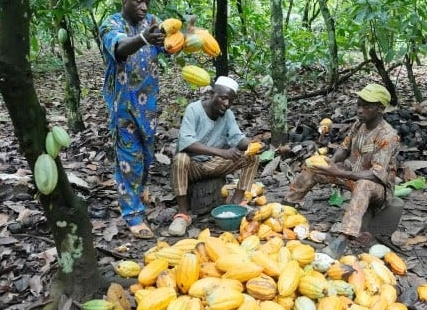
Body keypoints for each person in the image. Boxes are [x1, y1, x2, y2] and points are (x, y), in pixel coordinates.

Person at [283, 83, 400, 257]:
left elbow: (376, 174)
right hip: (350, 175)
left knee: (363, 185)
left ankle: (342, 240)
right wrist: (331, 161)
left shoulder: (388, 136)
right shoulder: (358, 124)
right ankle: (285, 208)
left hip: (378, 189)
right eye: (359, 105)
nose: (360, 110)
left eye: (366, 107)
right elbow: (344, 149)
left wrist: (339, 172)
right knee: (314, 167)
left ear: (380, 109)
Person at [99, 0, 167, 239]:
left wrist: (185, 35)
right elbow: (119, 48)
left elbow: (168, 46)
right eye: (138, 1)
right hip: (123, 105)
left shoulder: (151, 22)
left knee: (147, 155)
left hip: (148, 103)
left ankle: (139, 191)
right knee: (129, 158)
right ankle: (133, 214)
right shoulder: (110, 24)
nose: (144, 7)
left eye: (147, 1)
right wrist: (144, 39)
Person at [168, 76, 259, 236]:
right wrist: (222, 152)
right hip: (192, 166)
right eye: (223, 98)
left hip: (213, 165)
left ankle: (237, 203)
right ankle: (183, 215)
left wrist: (254, 143)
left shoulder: (228, 115)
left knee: (251, 158)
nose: (226, 104)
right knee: (180, 159)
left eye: (230, 100)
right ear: (211, 94)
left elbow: (237, 138)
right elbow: (187, 143)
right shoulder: (194, 109)